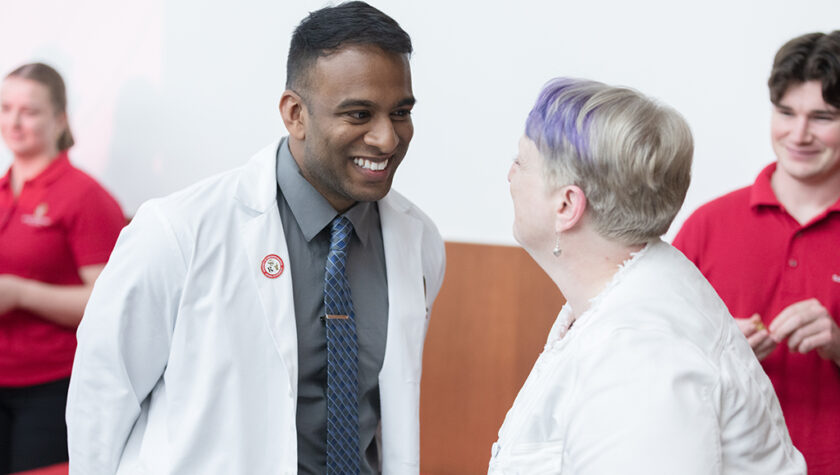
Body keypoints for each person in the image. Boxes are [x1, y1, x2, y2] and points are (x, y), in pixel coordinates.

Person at [65, 2, 445, 474]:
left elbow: (387, 412)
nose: (387, 139)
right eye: (359, 114)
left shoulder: (418, 241)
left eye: (401, 111)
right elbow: (101, 401)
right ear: (294, 114)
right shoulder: (177, 232)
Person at [488, 77, 806, 474]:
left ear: (568, 204)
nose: (510, 176)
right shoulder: (631, 296)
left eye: (521, 162)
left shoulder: (641, 354)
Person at [673, 31, 840, 473]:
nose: (799, 134)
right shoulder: (707, 225)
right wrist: (715, 349)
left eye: (823, 117)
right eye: (786, 113)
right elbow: (650, 354)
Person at [0, 63, 124, 473]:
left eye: (29, 111)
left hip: (55, 388)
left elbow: (108, 304)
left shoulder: (85, 197)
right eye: (5, 108)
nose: (14, 122)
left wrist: (19, 293)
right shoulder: (3, 191)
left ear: (60, 119)